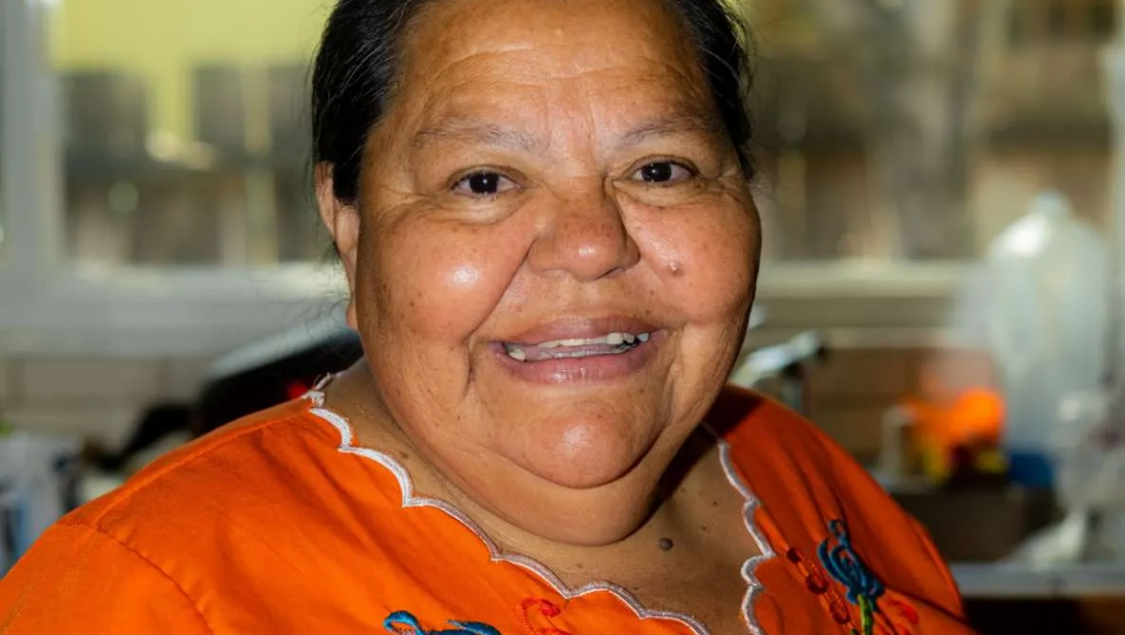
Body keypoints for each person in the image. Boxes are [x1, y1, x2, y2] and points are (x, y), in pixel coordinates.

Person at [0, 0, 978, 633]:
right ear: (347, 220)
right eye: (482, 180)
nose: (590, 244)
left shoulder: (798, 471)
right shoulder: (146, 591)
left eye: (659, 168)